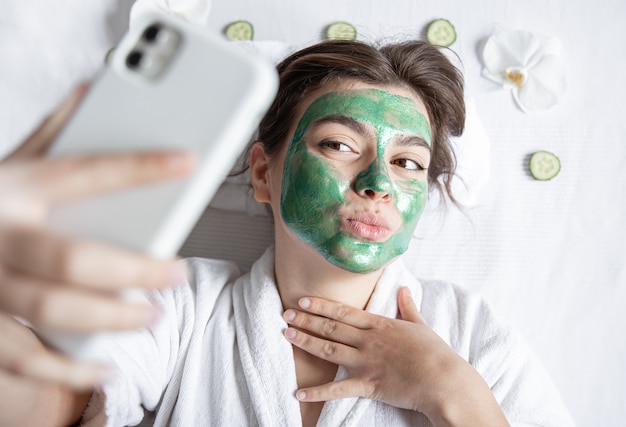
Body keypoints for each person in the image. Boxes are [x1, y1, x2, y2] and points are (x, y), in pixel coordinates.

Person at [0, 39, 573, 427]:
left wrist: (453, 391)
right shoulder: (182, 305)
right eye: (340, 146)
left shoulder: (473, 338)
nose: (377, 182)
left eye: (408, 164)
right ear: (262, 173)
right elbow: (47, 392)